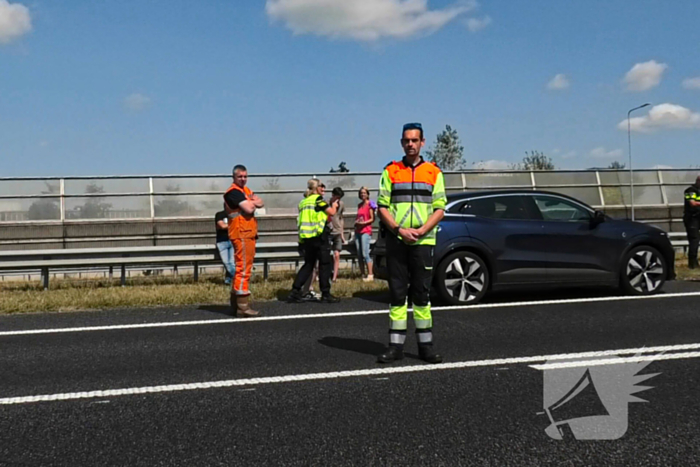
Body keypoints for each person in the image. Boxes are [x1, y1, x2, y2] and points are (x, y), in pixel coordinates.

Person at [376, 122, 447, 364]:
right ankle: (395, 347)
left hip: (424, 242)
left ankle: (425, 347)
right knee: (397, 294)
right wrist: (399, 230)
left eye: (415, 140)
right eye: (407, 140)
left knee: (422, 295)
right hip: (398, 241)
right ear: (401, 143)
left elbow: (440, 208)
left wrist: (423, 230)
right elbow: (382, 207)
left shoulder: (434, 172)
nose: (410, 144)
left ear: (422, 142)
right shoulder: (391, 171)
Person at [287, 179, 341, 304]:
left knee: (308, 264)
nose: (323, 189)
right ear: (316, 188)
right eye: (321, 186)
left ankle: (295, 291)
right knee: (324, 265)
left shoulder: (303, 202)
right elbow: (331, 213)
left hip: (306, 237)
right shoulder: (318, 200)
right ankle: (325, 293)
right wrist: (334, 205)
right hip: (319, 236)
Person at [224, 164, 265, 317]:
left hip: (248, 233)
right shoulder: (233, 192)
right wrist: (251, 203)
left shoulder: (244, 191)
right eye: (240, 176)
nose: (243, 179)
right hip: (241, 233)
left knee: (244, 267)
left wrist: (251, 202)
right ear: (234, 177)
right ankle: (242, 306)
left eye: (245, 176)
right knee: (243, 268)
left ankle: (237, 303)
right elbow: (249, 209)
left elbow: (260, 202)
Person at [354, 186, 375, 281]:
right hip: (358, 230)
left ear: (367, 194)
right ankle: (362, 273)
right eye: (361, 193)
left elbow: (372, 218)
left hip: (366, 230)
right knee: (359, 253)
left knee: (365, 253)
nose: (363, 194)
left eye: (364, 193)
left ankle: (370, 274)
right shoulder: (359, 205)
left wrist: (364, 223)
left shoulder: (370, 204)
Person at [215, 206, 235, 285]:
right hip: (222, 242)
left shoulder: (235, 215)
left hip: (233, 240)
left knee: (231, 262)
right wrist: (235, 225)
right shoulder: (220, 215)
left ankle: (229, 280)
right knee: (226, 262)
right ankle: (239, 278)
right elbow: (222, 226)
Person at [329, 187, 346, 282]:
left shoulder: (341, 205)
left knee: (337, 254)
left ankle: (334, 277)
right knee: (326, 255)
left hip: (337, 232)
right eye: (336, 197)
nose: (338, 200)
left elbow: (341, 218)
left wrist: (342, 233)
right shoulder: (326, 204)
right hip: (328, 232)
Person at [684, 175, 700, 268]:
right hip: (692, 219)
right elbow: (692, 203)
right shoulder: (690, 191)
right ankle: (692, 263)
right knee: (694, 240)